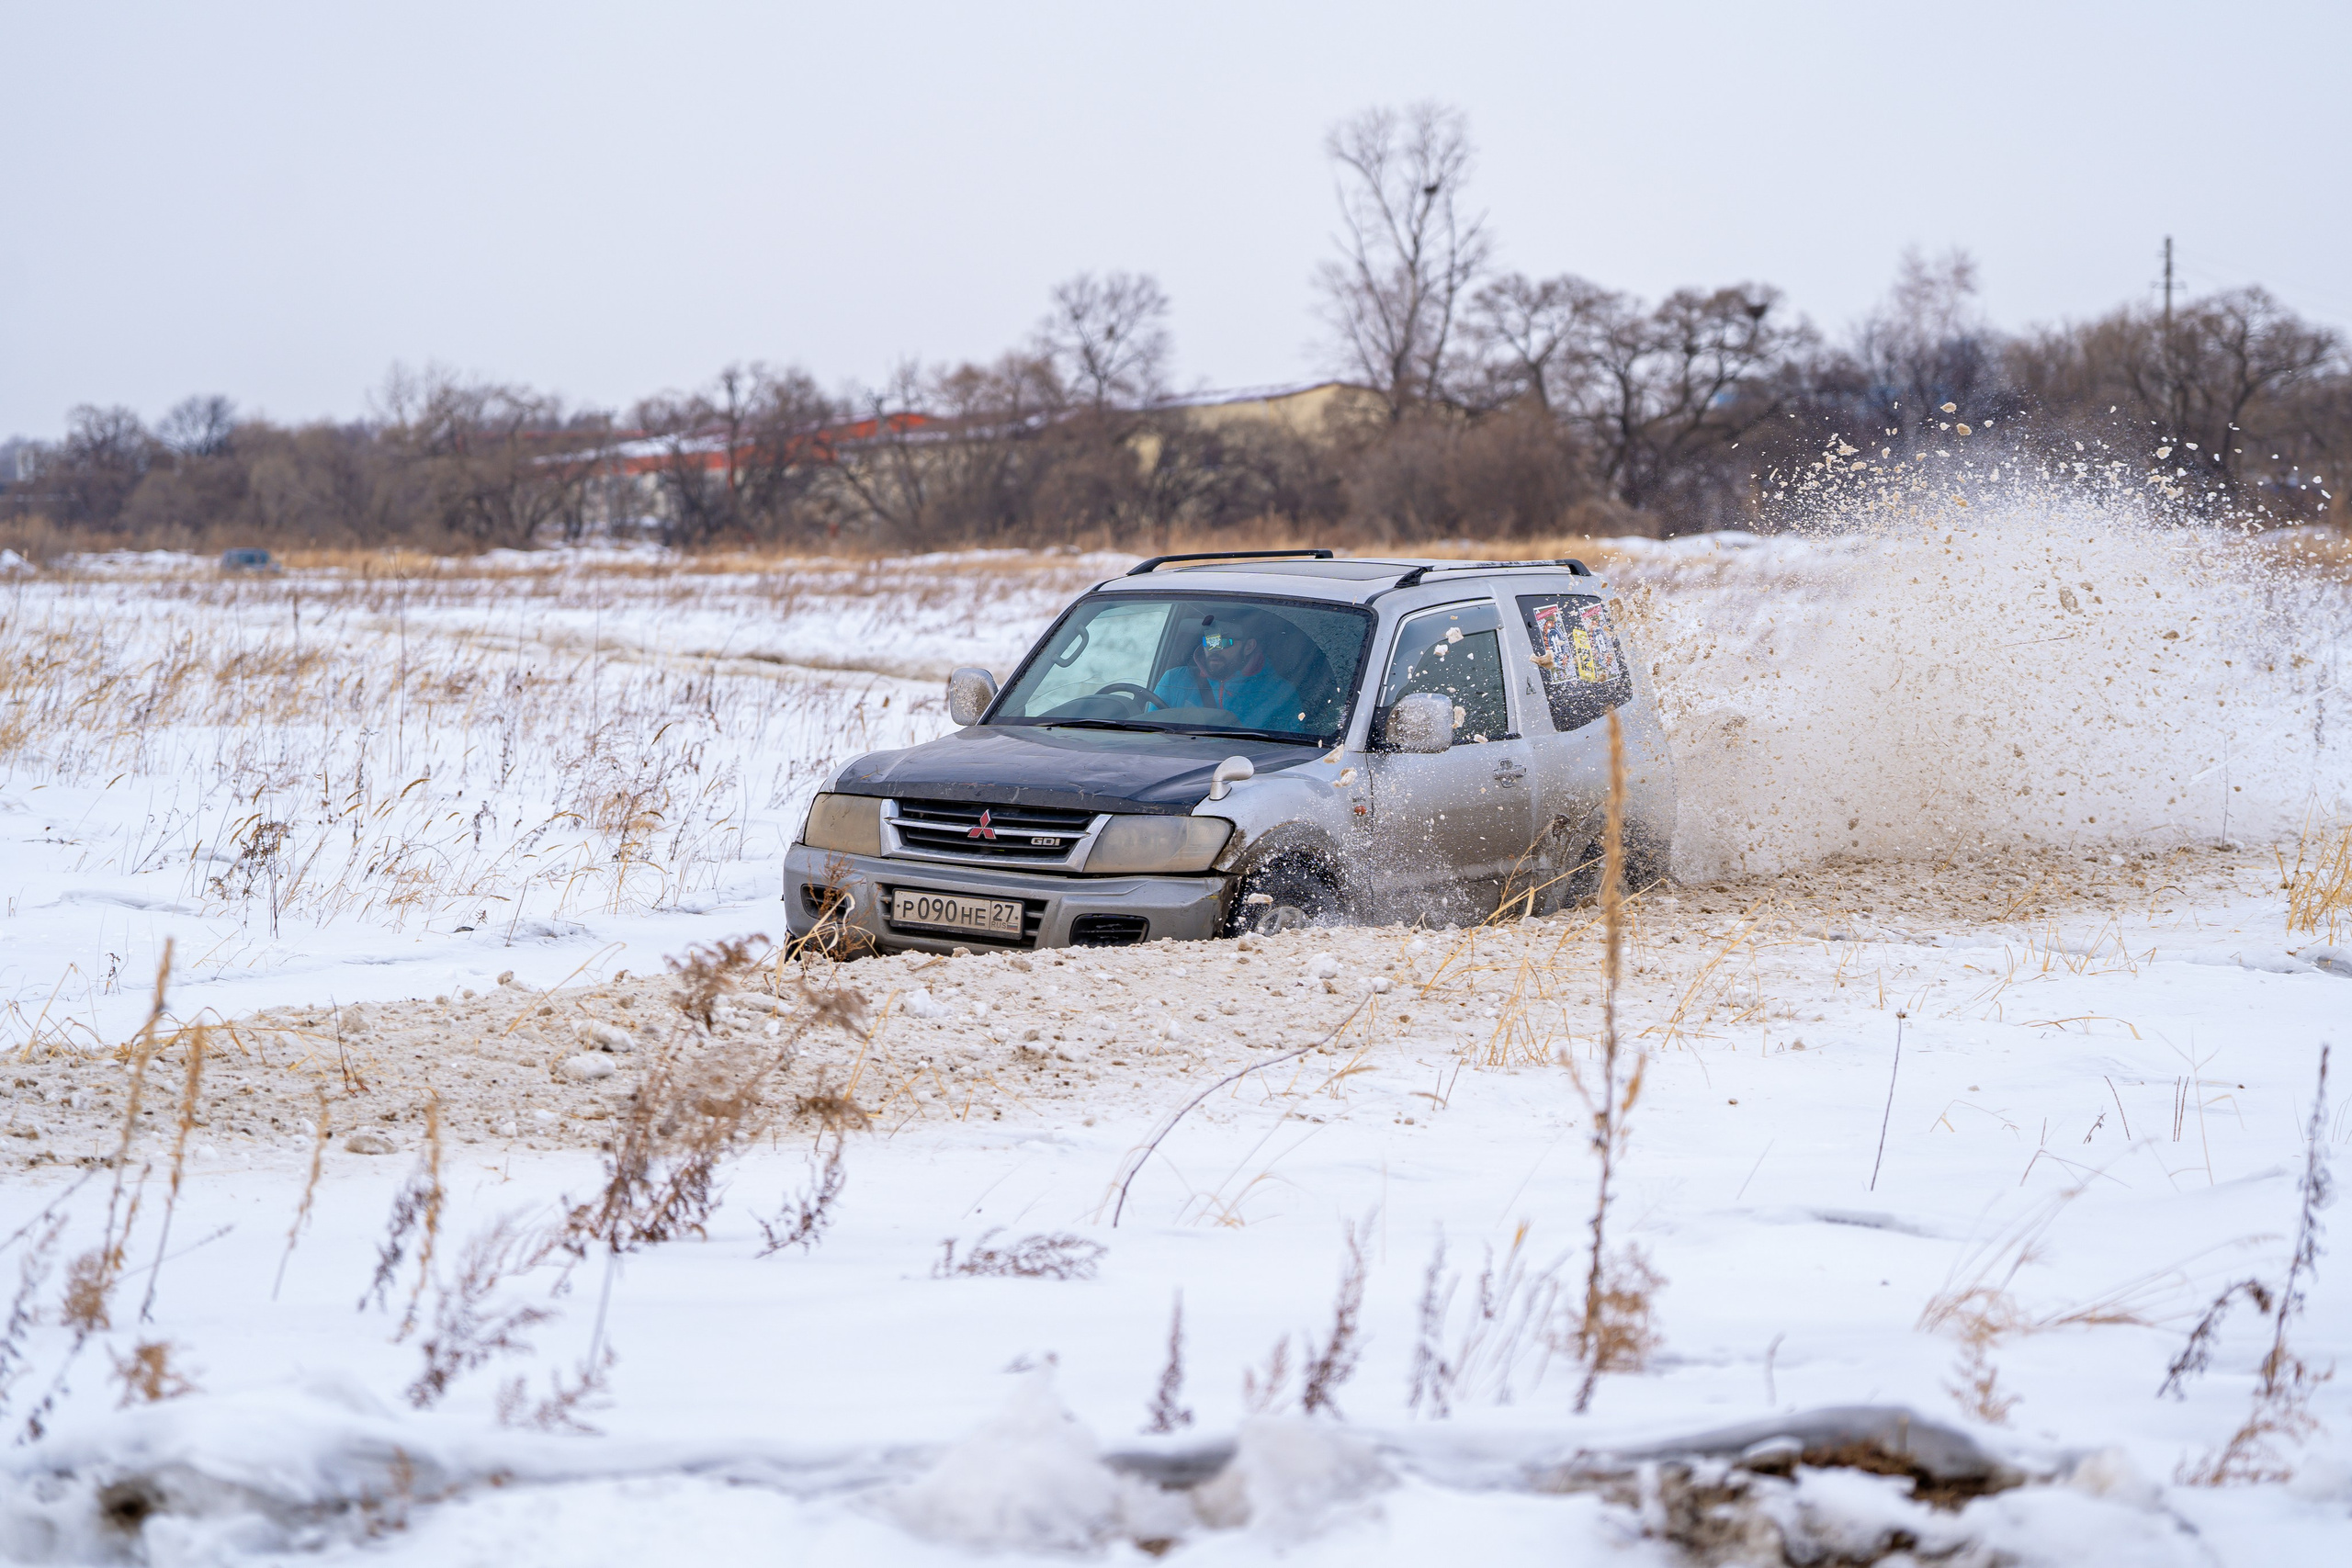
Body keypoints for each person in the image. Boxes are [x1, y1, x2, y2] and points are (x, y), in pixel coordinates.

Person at [1152, 610, 1303, 731]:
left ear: (1249, 647)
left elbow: (1292, 749)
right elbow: (1150, 734)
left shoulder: (1278, 693)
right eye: (1210, 642)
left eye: (1224, 642)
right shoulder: (1174, 679)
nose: (1214, 650)